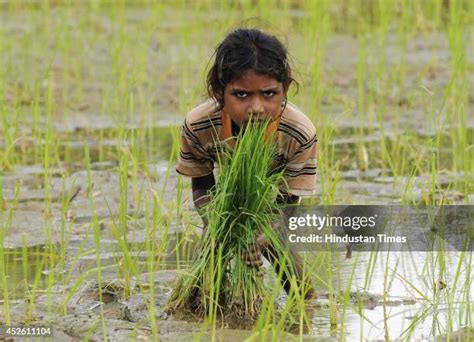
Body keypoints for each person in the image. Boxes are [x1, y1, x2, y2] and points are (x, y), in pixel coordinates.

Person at [176, 28, 317, 300]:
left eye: (269, 94)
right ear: (219, 91)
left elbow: (286, 205)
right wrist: (220, 224)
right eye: (241, 95)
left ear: (285, 88)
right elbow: (202, 188)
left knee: (278, 245)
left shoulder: (298, 133)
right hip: (222, 203)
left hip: (272, 206)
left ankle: (305, 305)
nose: (256, 108)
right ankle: (204, 304)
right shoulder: (200, 125)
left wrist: (262, 234)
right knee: (212, 245)